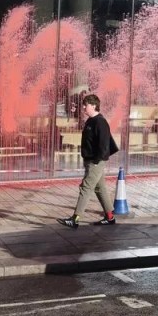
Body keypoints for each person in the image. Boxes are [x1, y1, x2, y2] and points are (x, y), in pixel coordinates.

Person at [57, 94, 119, 228]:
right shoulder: (90, 121)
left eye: (86, 105)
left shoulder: (100, 122)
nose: (84, 107)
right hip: (90, 160)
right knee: (100, 188)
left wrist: (96, 161)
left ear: (94, 106)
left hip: (96, 161)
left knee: (86, 187)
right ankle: (110, 217)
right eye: (84, 104)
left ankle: (75, 219)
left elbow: (104, 145)